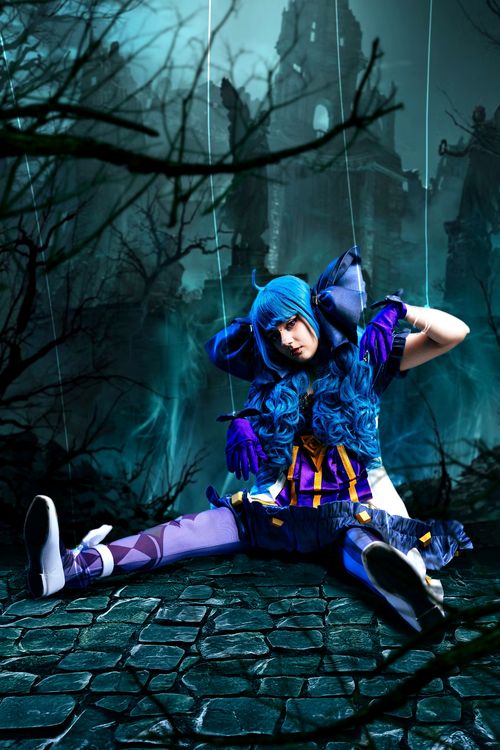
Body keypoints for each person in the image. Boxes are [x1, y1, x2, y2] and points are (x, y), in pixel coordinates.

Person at [24, 248, 472, 632]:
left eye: (292, 323)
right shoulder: (272, 387)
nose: (287, 340)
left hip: (357, 505)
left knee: (364, 546)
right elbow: (267, 459)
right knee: (188, 531)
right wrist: (243, 423)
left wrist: (403, 310)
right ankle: (71, 567)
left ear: (313, 312)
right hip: (280, 510)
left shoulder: (366, 361)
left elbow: (454, 333)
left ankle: (414, 599)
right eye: (274, 335)